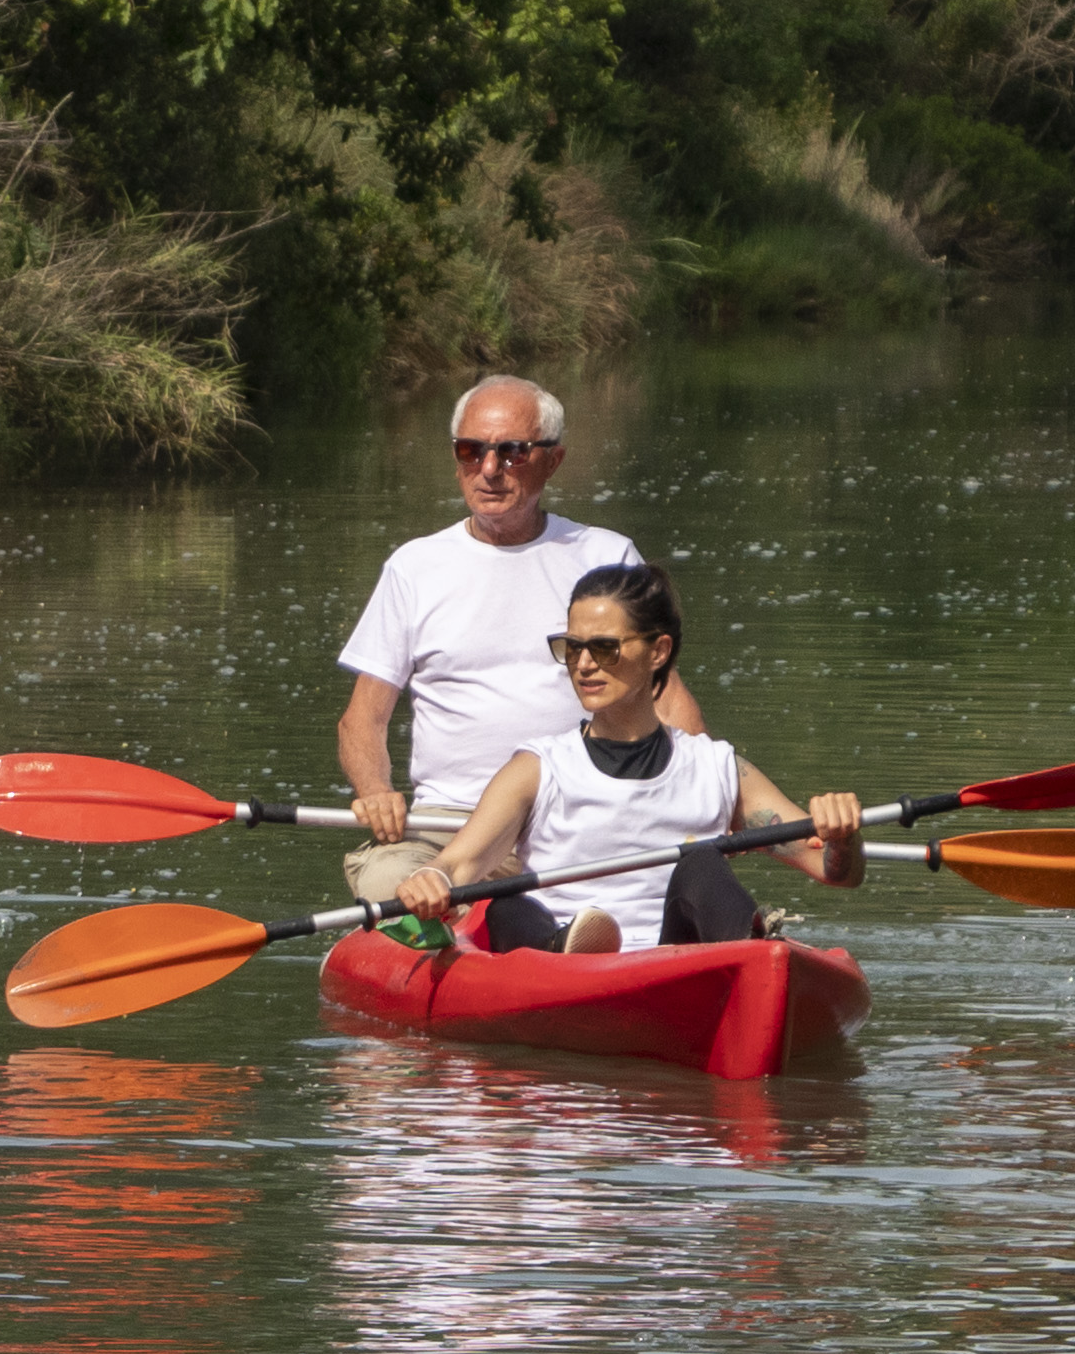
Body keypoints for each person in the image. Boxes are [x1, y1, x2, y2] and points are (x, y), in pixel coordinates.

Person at [373, 559, 859, 956]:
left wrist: (843, 835)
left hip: (678, 964)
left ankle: (751, 952)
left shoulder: (719, 769)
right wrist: (428, 880)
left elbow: (836, 870)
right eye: (572, 647)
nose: (583, 664)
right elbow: (459, 866)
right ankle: (573, 947)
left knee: (702, 865)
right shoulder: (537, 769)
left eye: (604, 649)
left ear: (658, 651)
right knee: (503, 903)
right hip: (557, 960)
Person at [333, 372, 710, 847]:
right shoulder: (414, 567)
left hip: (581, 816)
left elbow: (667, 699)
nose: (489, 469)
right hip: (448, 825)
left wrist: (696, 803)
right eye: (471, 451)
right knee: (396, 888)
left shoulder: (606, 556)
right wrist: (376, 792)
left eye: (512, 452)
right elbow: (363, 719)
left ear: (553, 460)